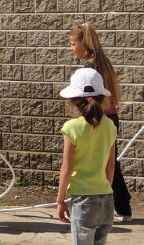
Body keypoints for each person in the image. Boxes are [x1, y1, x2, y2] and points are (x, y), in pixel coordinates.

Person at [69, 22, 133, 221]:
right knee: (109, 161)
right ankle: (121, 205)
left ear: (84, 44)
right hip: (111, 116)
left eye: (72, 44)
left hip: (99, 116)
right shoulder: (103, 62)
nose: (71, 48)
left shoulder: (91, 69)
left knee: (101, 161)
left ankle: (116, 206)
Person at [56, 67, 117, 245]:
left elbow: (67, 168)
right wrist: (105, 187)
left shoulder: (71, 127)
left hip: (83, 199)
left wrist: (60, 201)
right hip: (106, 198)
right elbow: (111, 166)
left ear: (73, 100)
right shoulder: (110, 126)